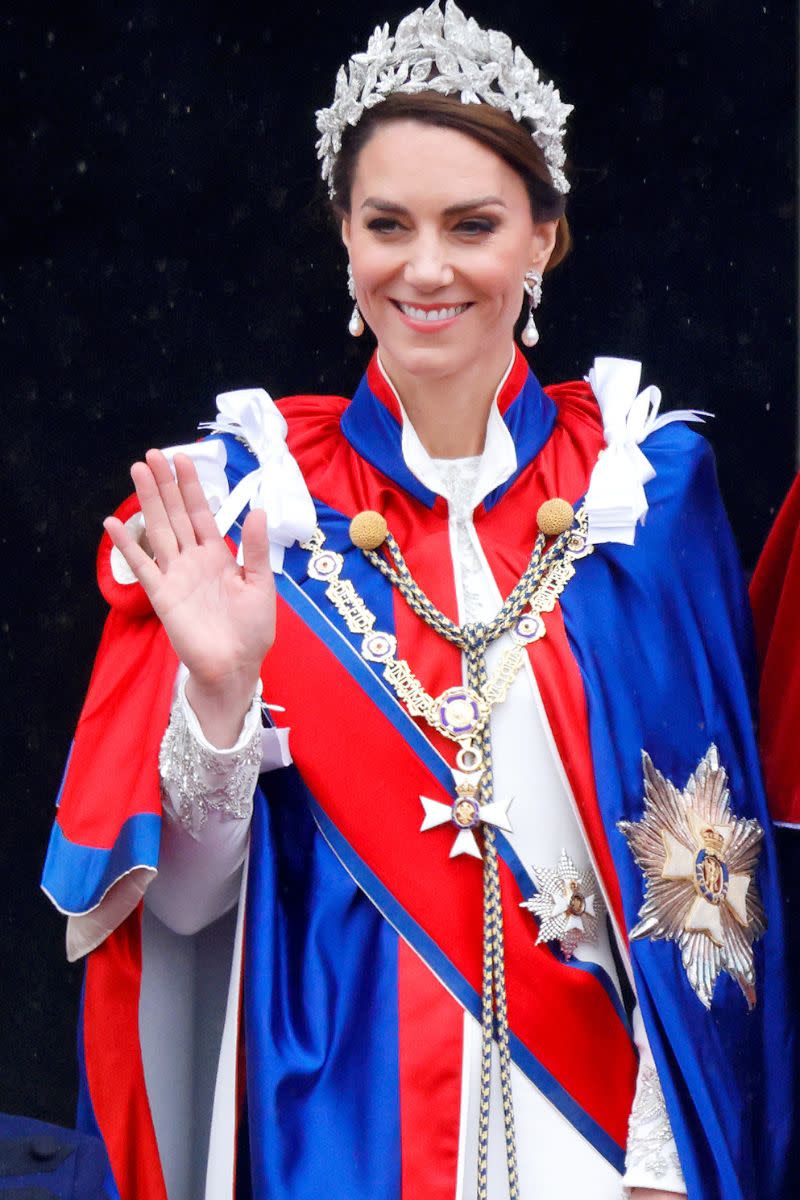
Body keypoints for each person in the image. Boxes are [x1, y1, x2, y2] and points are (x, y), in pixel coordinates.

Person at [42, 4, 792, 1199]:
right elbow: (177, 913)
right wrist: (223, 690)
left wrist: (665, 1159)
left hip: (595, 1145)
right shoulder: (245, 502)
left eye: (472, 224)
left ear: (544, 239)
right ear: (343, 240)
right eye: (386, 224)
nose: (425, 267)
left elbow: (713, 876)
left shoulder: (643, 492)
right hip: (328, 1130)